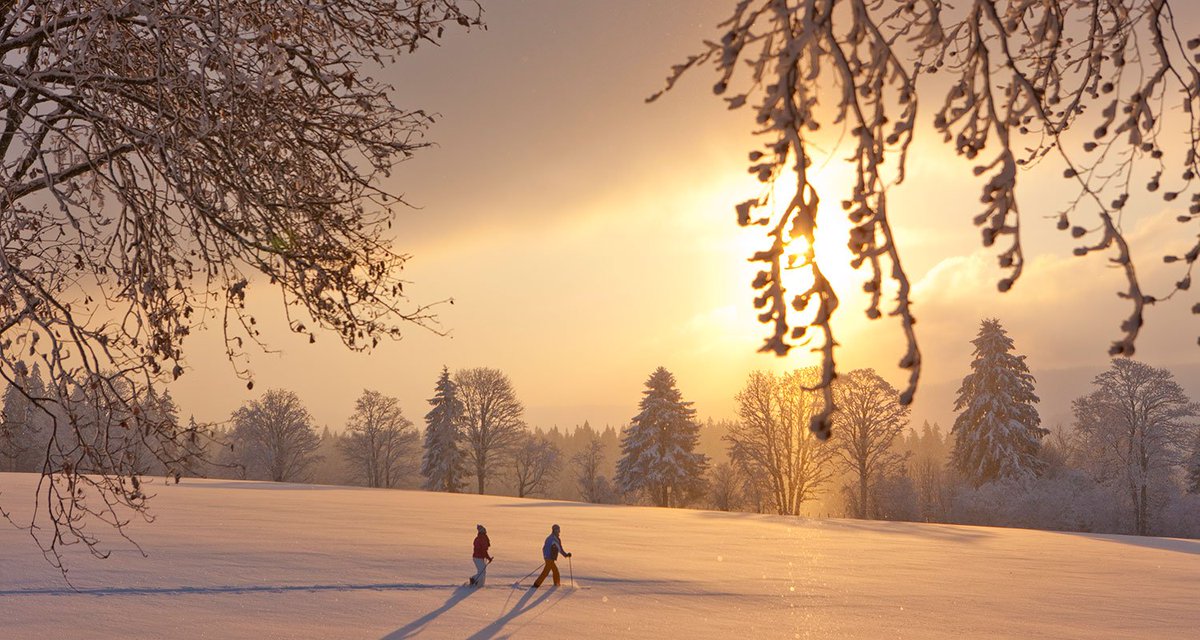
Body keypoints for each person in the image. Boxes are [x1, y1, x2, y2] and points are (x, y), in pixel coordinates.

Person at [531, 523, 570, 588]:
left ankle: (556, 584)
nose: (558, 531)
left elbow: (544, 548)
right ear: (554, 530)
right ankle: (537, 585)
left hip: (548, 558)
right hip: (549, 559)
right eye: (557, 530)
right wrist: (566, 555)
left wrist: (546, 557)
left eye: (558, 530)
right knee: (548, 572)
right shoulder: (553, 539)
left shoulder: (550, 537)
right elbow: (559, 549)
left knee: (554, 571)